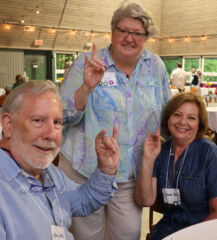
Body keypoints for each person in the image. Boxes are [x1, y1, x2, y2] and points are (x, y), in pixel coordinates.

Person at [59, 2, 171, 239]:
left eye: (138, 33)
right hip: (85, 172)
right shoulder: (87, 63)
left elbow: (166, 114)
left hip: (130, 175)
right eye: (123, 30)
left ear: (146, 37)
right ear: (112, 32)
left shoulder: (156, 67)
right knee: (86, 236)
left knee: (127, 235)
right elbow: (60, 116)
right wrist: (86, 88)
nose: (130, 38)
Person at [0, 80, 119, 240]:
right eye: (38, 121)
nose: (51, 134)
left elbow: (83, 201)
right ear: (9, 125)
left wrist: (106, 170)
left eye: (57, 123)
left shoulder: (47, 172)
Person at [134, 92, 217, 240]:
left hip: (211, 227)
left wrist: (188, 237)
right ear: (168, 118)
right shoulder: (161, 151)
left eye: (191, 118)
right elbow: (144, 201)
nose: (182, 122)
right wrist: (147, 159)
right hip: (173, 224)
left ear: (199, 124)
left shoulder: (209, 153)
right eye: (177, 115)